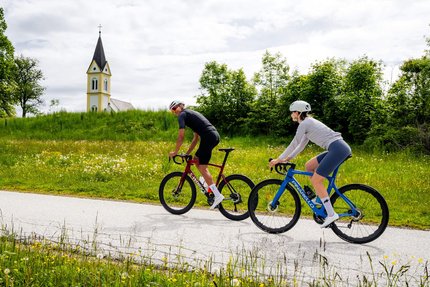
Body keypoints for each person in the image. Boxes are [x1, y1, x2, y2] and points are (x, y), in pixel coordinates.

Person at [269, 100, 352, 228]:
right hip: (336, 148)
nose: (291, 115)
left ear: (297, 112)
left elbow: (294, 143)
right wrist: (288, 158)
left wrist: (278, 159)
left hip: (338, 149)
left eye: (292, 113)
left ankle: (331, 214)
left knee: (316, 180)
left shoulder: (304, 124)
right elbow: (301, 145)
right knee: (309, 166)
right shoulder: (308, 123)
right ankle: (318, 199)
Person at [168, 100, 224, 209]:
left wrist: (175, 152)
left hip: (208, 137)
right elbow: (195, 139)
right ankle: (206, 182)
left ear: (180, 106)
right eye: (172, 111)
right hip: (214, 136)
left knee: (202, 167)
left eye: (174, 109)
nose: (174, 112)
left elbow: (181, 136)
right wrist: (187, 153)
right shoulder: (190, 115)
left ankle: (217, 195)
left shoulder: (182, 115)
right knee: (198, 161)